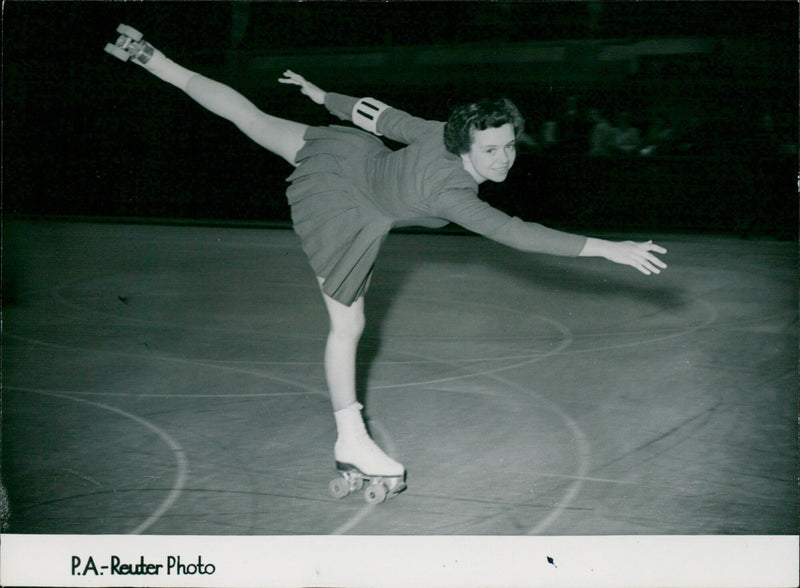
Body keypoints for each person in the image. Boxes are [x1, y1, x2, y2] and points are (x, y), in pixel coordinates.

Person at [106, 26, 667, 500]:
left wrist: (322, 96)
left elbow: (379, 116)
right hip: (345, 205)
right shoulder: (453, 195)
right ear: (466, 147)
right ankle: (349, 437)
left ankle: (150, 57)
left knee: (249, 118)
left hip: (343, 154)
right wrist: (608, 248)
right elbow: (517, 234)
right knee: (347, 325)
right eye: (490, 150)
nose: (503, 160)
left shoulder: (436, 133)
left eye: (509, 146)